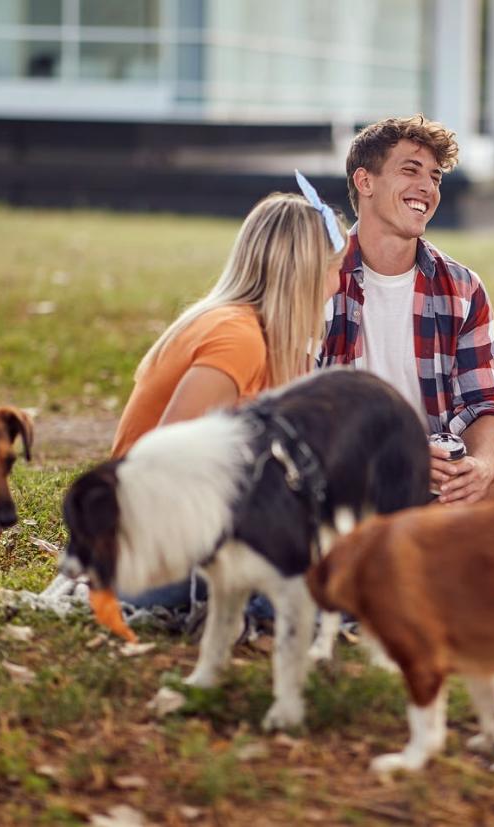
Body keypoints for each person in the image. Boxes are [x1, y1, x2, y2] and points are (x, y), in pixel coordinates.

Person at [111, 180, 348, 608]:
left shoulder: (264, 340)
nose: (337, 284)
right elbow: (159, 466)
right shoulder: (236, 337)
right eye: (334, 270)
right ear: (304, 276)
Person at [321, 114, 494, 504]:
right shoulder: (319, 276)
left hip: (437, 486)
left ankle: (406, 538)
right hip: (350, 477)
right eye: (411, 170)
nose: (427, 187)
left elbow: (485, 405)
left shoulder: (461, 287)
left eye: (436, 177)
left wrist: (481, 467)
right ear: (364, 181)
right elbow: (298, 412)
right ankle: (421, 539)